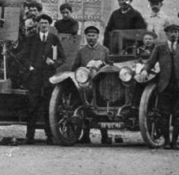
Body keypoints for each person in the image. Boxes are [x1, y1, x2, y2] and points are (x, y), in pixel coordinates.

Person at [140, 24, 179, 150]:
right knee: (164, 114)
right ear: (167, 34)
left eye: (176, 32)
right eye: (171, 32)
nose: (174, 34)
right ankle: (167, 141)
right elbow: (150, 62)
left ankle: (175, 142)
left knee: (178, 115)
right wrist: (145, 70)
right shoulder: (160, 47)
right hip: (164, 85)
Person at [19, 14, 64, 144]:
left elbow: (62, 58)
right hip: (34, 77)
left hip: (49, 78)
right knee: (32, 106)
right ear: (38, 24)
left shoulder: (54, 39)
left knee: (48, 107)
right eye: (41, 23)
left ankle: (49, 137)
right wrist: (30, 67)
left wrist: (54, 64)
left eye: (46, 23)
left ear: (49, 25)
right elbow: (24, 55)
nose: (43, 25)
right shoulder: (32, 38)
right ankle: (29, 137)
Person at [69, 26, 111, 144]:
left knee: (103, 108)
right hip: (86, 86)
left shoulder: (104, 50)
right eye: (89, 36)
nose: (91, 38)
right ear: (85, 37)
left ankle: (105, 135)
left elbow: (110, 66)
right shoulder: (81, 51)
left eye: (93, 36)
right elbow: (75, 67)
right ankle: (85, 135)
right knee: (85, 109)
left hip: (101, 85)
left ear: (98, 37)